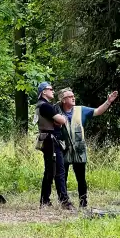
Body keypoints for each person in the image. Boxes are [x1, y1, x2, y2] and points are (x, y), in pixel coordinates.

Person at [57, 87, 120, 208]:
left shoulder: (81, 110)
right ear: (63, 100)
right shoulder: (57, 111)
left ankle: (83, 202)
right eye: (70, 96)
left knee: (81, 178)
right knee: (62, 177)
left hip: (79, 150)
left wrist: (108, 102)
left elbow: (98, 111)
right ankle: (64, 202)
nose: (73, 98)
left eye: (73, 96)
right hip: (63, 148)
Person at [34, 81, 71, 209]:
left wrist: (58, 120)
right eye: (50, 89)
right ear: (44, 91)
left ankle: (45, 200)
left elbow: (56, 123)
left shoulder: (40, 105)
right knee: (59, 171)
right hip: (51, 140)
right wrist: (62, 117)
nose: (53, 91)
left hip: (47, 139)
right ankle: (64, 201)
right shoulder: (45, 106)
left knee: (50, 171)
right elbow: (61, 120)